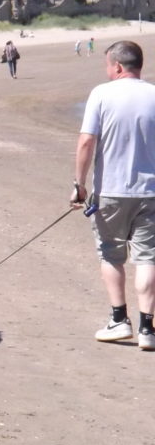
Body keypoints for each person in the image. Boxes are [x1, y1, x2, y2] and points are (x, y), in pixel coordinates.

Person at [72, 41, 155, 350]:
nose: (107, 71)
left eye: (108, 66)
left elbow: (86, 142)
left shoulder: (102, 94)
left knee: (111, 253)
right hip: (151, 191)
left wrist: (79, 184)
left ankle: (119, 319)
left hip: (111, 191)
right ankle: (148, 326)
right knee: (148, 257)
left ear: (118, 66)